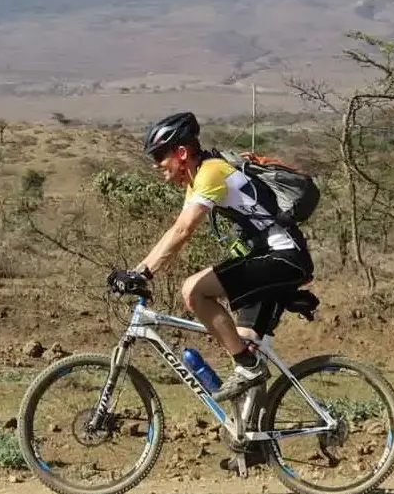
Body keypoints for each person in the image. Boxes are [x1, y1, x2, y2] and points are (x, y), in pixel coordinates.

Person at [107, 111, 314, 405]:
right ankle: (250, 443)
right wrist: (139, 270)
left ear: (181, 152)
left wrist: (143, 273)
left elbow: (182, 230)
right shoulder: (198, 179)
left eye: (159, 158)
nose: (158, 167)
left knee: (194, 290)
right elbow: (174, 231)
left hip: (284, 256)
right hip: (272, 257)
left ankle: (249, 367)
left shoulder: (211, 172)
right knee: (242, 343)